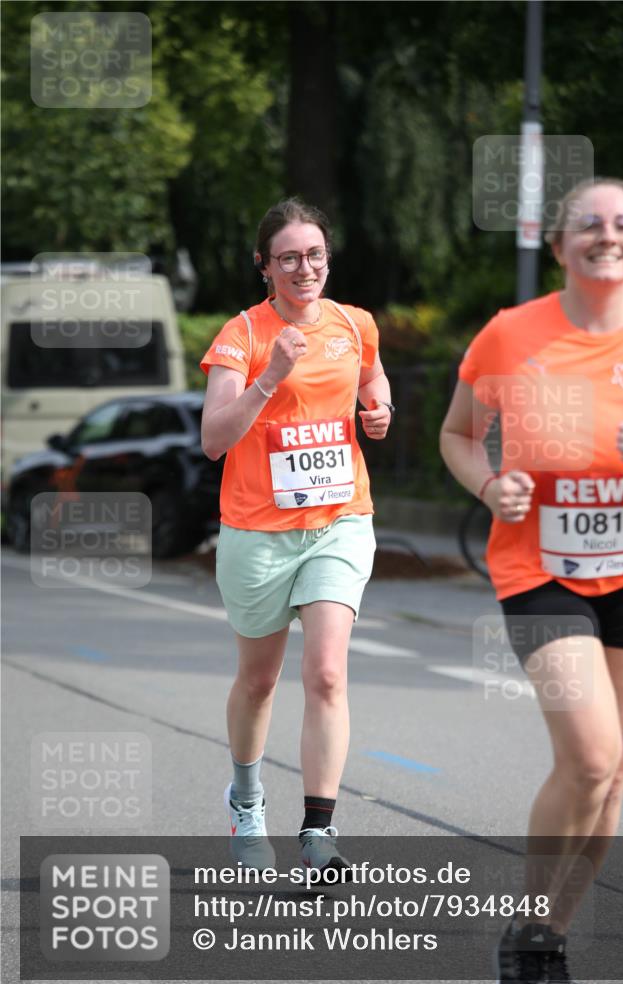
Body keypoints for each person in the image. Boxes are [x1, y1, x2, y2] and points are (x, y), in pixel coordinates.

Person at [440, 178, 623, 984]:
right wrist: (486, 485)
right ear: (561, 243)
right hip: (539, 573)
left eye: (622, 224)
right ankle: (524, 938)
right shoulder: (511, 334)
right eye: (587, 224)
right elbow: (458, 433)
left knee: (614, 775)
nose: (605, 235)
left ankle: (546, 949)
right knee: (589, 755)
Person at [200, 197, 392, 877]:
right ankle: (246, 799)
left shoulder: (352, 323)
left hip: (339, 521)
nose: (304, 267)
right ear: (265, 267)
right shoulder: (241, 336)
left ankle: (318, 832)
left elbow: (369, 375)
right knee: (258, 682)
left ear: (326, 259)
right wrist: (271, 376)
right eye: (289, 258)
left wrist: (380, 409)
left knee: (328, 673)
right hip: (256, 532)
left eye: (313, 255)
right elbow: (213, 439)